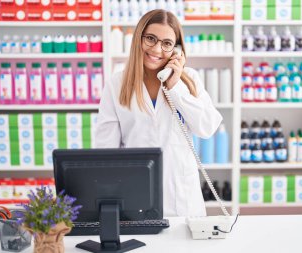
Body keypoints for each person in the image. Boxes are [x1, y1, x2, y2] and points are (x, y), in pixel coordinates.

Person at [95, 9, 222, 217]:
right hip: (135, 197)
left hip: (182, 198)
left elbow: (207, 127)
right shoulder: (116, 85)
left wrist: (175, 88)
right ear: (139, 38)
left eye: (167, 43)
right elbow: (106, 152)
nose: (157, 49)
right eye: (151, 39)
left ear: (176, 49)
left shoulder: (188, 79)